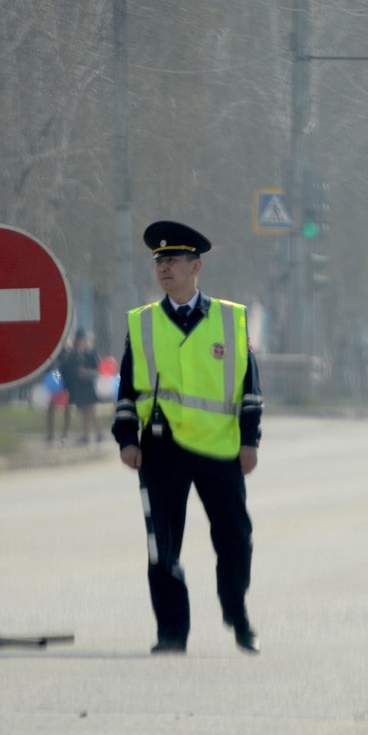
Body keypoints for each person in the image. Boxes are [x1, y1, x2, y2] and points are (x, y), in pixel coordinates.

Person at [113, 220, 264, 655]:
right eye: (159, 261)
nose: (164, 268)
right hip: (161, 450)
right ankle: (172, 632)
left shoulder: (231, 320)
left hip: (220, 449)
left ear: (196, 266)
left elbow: (250, 388)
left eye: (174, 260)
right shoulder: (142, 323)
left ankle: (236, 611)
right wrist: (126, 438)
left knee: (235, 540)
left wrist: (249, 440)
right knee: (162, 547)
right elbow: (127, 389)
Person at [63, 330, 100, 444]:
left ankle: (87, 436)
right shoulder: (72, 355)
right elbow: (68, 370)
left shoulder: (90, 354)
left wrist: (88, 372)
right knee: (86, 411)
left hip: (89, 385)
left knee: (89, 410)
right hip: (79, 386)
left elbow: (98, 369)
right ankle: (97, 433)